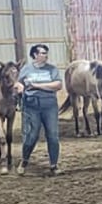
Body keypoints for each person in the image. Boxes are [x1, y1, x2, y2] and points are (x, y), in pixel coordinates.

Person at [15, 44, 63, 176]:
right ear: (35, 55)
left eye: (46, 53)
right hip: (32, 106)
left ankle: (54, 165)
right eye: (42, 53)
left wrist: (36, 85)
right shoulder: (26, 69)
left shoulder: (52, 69)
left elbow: (58, 85)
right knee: (31, 136)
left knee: (53, 135)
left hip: (49, 105)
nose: (45, 55)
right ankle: (24, 160)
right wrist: (20, 87)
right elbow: (19, 83)